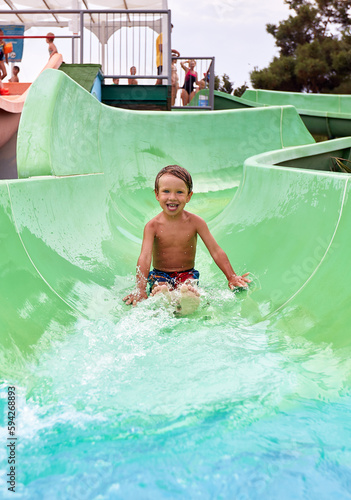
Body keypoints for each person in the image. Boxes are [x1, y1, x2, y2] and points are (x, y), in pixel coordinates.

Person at [123, 165, 250, 311]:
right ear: (157, 194)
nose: (172, 197)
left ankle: (187, 300)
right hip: (160, 275)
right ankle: (164, 296)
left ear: (189, 196)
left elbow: (215, 250)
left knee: (189, 289)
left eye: (179, 192)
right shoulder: (152, 226)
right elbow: (145, 257)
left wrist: (231, 276)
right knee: (160, 287)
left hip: (187, 274)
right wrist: (140, 289)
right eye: (166, 191)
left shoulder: (196, 222)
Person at [0, 29, 9, 95]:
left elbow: (6, 53)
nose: (2, 35)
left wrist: (6, 61)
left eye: (2, 34)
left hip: (1, 60)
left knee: (5, 73)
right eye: (1, 34)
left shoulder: (3, 43)